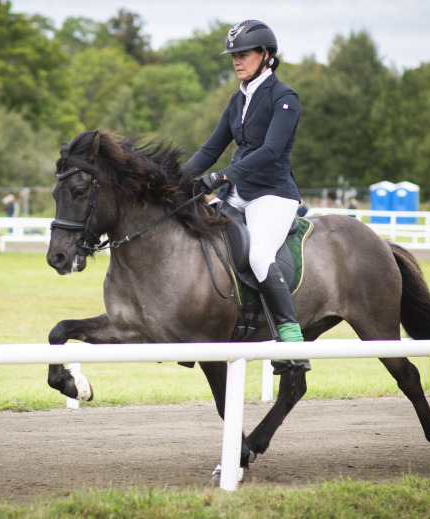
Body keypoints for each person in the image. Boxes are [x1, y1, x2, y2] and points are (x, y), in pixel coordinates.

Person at [186, 19, 309, 375]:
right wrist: (175, 180)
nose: (237, 61)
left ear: (266, 55)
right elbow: (210, 149)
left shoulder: (284, 98)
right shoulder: (237, 99)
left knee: (258, 255)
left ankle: (290, 339)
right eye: (233, 55)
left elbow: (271, 150)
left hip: (272, 194)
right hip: (236, 193)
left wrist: (222, 175)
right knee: (201, 242)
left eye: (244, 54)